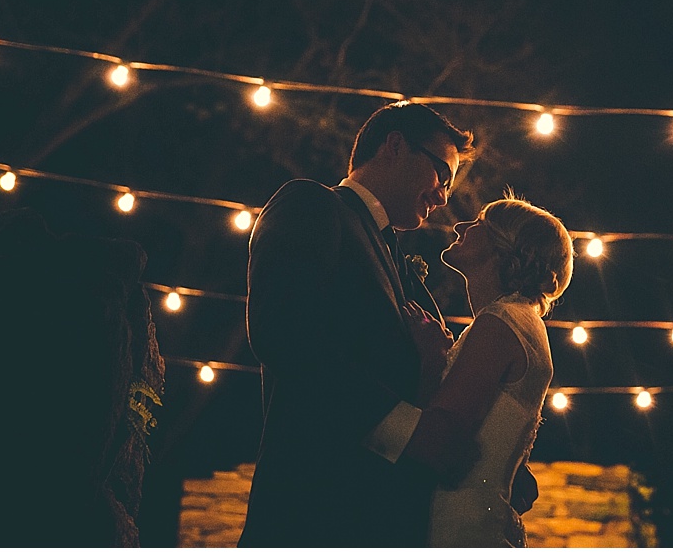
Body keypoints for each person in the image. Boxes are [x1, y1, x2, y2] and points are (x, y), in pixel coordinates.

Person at [238, 101, 477, 547]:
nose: (444, 196)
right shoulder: (312, 204)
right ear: (395, 145)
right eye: (442, 174)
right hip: (311, 512)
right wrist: (411, 432)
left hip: (380, 522)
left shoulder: (396, 257)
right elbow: (285, 334)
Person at [401, 196, 575, 547]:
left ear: (505, 245)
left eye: (479, 222)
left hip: (458, 526)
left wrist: (431, 357)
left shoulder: (500, 324)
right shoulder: (520, 321)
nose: (461, 227)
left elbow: (443, 433)